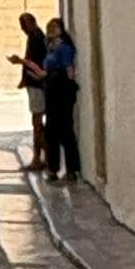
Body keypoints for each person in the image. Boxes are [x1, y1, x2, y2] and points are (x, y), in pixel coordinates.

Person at [37, 11, 83, 183]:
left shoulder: (64, 47)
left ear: (61, 29)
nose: (52, 30)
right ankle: (53, 168)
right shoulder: (50, 48)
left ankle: (71, 169)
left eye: (55, 27)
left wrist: (70, 87)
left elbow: (69, 68)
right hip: (51, 90)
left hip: (61, 90)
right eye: (50, 28)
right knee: (51, 131)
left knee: (65, 129)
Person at [17, 10, 51, 168]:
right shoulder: (37, 36)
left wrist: (20, 62)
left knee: (37, 122)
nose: (22, 29)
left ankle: (40, 157)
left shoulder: (36, 37)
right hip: (34, 84)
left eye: (24, 25)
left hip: (37, 85)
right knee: (37, 121)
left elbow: (34, 61)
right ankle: (45, 155)